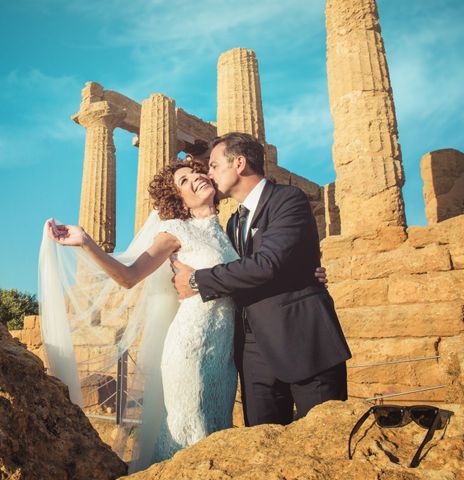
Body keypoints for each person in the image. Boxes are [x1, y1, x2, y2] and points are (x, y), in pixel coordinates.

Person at [44, 159, 329, 469]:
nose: (195, 178)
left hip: (224, 356)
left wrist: (305, 274)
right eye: (183, 180)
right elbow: (128, 276)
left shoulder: (233, 230)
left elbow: (259, 271)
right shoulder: (174, 231)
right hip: (190, 346)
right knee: (189, 434)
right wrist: (86, 242)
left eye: (197, 172)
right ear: (177, 199)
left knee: (216, 433)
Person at [172, 132, 352, 427]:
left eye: (214, 165)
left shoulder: (287, 199)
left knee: (326, 442)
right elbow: (236, 271)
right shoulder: (232, 222)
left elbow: (267, 264)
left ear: (239, 163)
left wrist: (198, 281)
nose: (209, 172)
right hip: (254, 355)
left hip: (305, 343)